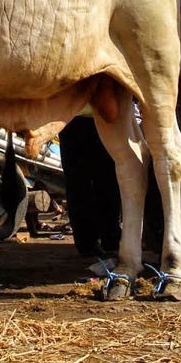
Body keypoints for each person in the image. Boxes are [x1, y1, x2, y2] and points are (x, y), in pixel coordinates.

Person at [58, 110, 121, 259]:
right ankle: (94, 242)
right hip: (78, 119)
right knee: (85, 183)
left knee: (102, 182)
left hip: (92, 118)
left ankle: (98, 241)